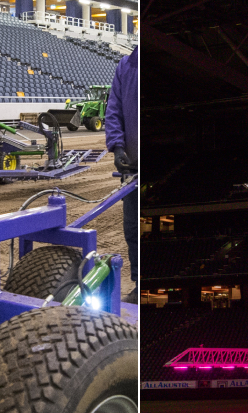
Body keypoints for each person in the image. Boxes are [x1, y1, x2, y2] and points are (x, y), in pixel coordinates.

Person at [105, 46, 138, 303]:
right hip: (132, 168)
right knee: (132, 228)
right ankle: (139, 283)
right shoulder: (125, 66)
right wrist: (117, 146)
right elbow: (113, 110)